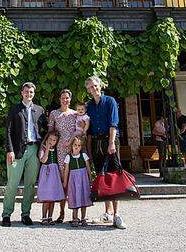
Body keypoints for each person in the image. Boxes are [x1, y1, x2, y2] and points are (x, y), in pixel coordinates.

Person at [2, 82, 45, 227]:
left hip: (34, 150)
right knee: (12, 184)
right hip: (17, 151)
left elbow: (43, 131)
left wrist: (43, 149)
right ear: (22, 93)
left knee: (30, 184)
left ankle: (25, 214)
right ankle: (6, 214)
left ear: (34, 94)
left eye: (31, 92)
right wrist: (10, 150)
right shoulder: (14, 109)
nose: (29, 94)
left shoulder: (39, 110)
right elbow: (8, 131)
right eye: (26, 91)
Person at [85, 76, 126, 229]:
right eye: (90, 87)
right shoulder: (89, 106)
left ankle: (116, 215)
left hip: (110, 140)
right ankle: (107, 212)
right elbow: (88, 130)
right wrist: (88, 149)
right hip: (96, 142)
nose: (93, 88)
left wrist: (111, 143)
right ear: (88, 90)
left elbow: (113, 123)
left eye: (95, 85)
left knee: (113, 176)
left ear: (100, 85)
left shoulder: (110, 101)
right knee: (102, 176)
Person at [47, 89, 78, 224]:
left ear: (70, 99)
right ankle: (61, 212)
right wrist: (46, 147)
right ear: (59, 99)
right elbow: (50, 132)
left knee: (73, 181)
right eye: (63, 98)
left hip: (72, 151)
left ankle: (75, 214)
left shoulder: (75, 114)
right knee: (61, 182)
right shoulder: (54, 114)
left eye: (67, 98)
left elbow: (80, 131)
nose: (65, 100)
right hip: (59, 151)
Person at [62, 135, 92, 227]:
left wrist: (90, 179)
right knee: (74, 196)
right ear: (71, 145)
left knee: (84, 197)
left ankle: (83, 218)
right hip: (73, 180)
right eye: (75, 144)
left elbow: (88, 168)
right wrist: (65, 182)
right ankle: (75, 217)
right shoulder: (68, 157)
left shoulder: (84, 155)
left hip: (83, 179)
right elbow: (66, 170)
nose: (77, 147)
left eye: (79, 145)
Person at [37, 131, 65, 224]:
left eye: (54, 140)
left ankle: (50, 217)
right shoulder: (43, 149)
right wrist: (47, 149)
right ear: (46, 139)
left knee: (52, 197)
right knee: (46, 197)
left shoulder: (56, 150)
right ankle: (44, 217)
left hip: (54, 174)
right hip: (46, 174)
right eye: (50, 139)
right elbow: (43, 160)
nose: (51, 141)